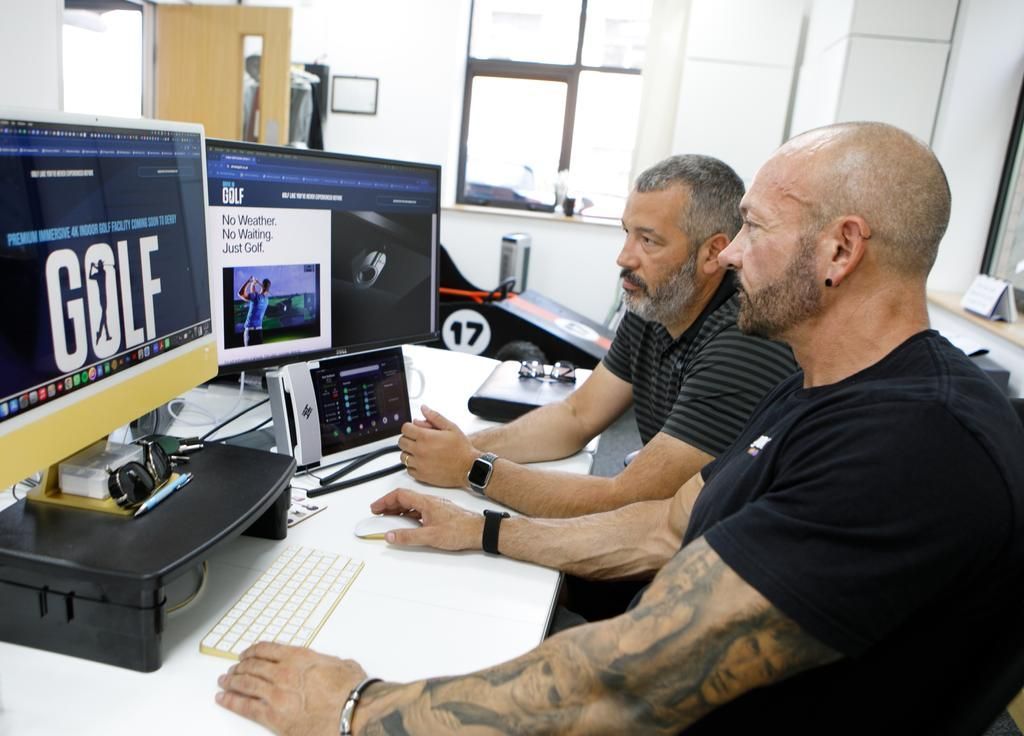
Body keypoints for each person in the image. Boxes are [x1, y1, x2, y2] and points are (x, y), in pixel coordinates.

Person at [216, 122, 1024, 734]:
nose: (731, 255)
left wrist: (360, 708)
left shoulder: (913, 444)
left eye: (755, 229)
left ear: (840, 250)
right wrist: (482, 534)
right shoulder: (830, 388)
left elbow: (629, 683)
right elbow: (664, 526)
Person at [399, 154, 795, 521]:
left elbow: (627, 498)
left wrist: (469, 468)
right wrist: (466, 445)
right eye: (627, 233)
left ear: (713, 253)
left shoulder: (744, 341)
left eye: (648, 240)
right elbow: (577, 416)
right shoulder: (658, 303)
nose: (624, 257)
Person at [238, 275, 271, 346]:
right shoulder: (266, 300)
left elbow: (240, 293)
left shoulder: (256, 296)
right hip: (259, 332)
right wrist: (253, 284)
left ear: (262, 285)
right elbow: (254, 293)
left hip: (250, 332)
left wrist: (249, 281)